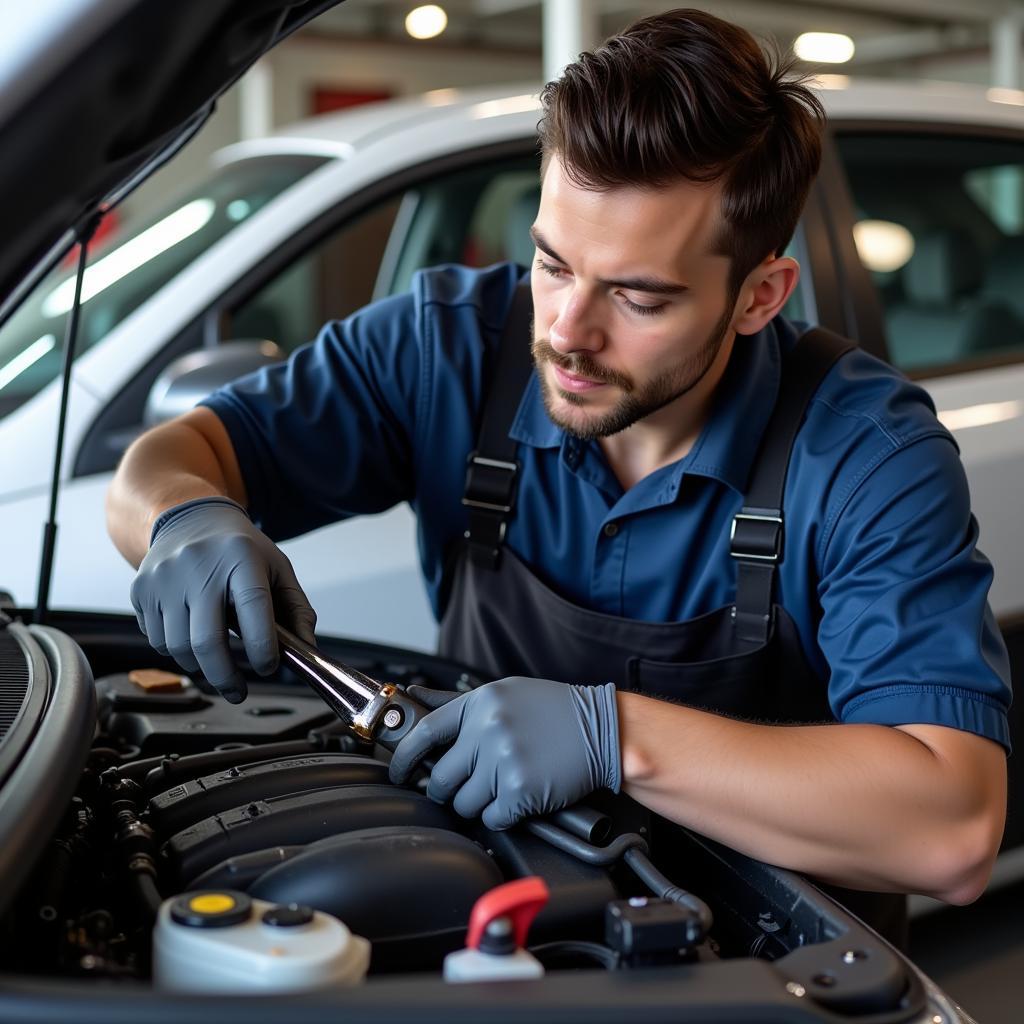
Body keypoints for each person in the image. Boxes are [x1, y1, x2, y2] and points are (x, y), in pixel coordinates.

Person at [106, 9, 1010, 946]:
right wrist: (185, 521)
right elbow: (164, 463)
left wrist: (610, 737)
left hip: (763, 970)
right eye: (552, 262)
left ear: (758, 297)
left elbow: (950, 826)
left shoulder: (867, 453)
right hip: (500, 922)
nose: (569, 332)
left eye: (638, 295)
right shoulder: (450, 346)